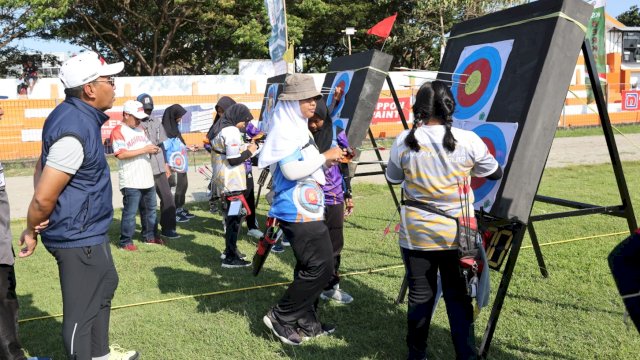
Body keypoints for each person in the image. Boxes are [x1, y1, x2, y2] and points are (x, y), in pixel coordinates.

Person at [18, 51, 138, 360]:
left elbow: (40, 166)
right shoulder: (75, 125)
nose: (115, 86)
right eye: (110, 80)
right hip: (77, 236)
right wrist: (32, 228)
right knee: (80, 314)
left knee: (106, 283)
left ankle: (99, 354)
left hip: (88, 231)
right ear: (89, 89)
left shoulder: (78, 116)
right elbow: (44, 195)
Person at [385, 81, 502, 360]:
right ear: (450, 105)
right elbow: (495, 172)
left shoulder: (404, 139)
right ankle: (466, 355)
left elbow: (393, 178)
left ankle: (417, 354)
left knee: (420, 295)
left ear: (420, 108)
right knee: (459, 298)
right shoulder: (470, 140)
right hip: (459, 233)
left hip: (416, 234)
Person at [258, 73, 345, 345]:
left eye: (315, 98)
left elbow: (305, 166)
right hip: (295, 209)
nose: (313, 104)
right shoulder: (285, 130)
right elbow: (291, 170)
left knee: (312, 265)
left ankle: (306, 321)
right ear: (292, 101)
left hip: (306, 206)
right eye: (307, 99)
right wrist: (325, 156)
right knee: (322, 266)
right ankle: (281, 316)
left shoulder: (298, 127)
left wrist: (326, 164)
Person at [308, 100, 355, 304]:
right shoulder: (303, 135)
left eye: (316, 121)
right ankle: (312, 286)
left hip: (334, 196)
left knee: (335, 244)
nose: (312, 125)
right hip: (310, 198)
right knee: (313, 246)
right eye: (310, 121)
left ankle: (331, 287)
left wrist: (348, 194)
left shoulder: (337, 132)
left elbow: (345, 163)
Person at [110, 100, 164, 250]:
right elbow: (120, 154)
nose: (139, 120)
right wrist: (145, 150)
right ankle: (125, 242)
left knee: (151, 210)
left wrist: (153, 149)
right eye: (136, 117)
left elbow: (146, 146)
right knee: (130, 213)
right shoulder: (118, 130)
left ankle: (150, 236)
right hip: (130, 180)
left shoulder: (140, 129)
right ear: (126, 115)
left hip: (147, 178)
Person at [211, 103, 258, 268]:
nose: (245, 126)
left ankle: (230, 250)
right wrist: (250, 151)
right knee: (234, 220)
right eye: (244, 122)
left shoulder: (221, 128)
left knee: (233, 218)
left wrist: (245, 148)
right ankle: (230, 258)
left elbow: (228, 152)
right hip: (232, 184)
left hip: (226, 180)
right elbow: (233, 159)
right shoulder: (231, 131)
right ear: (237, 118)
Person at [136, 93, 180, 239]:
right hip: (144, 167)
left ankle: (168, 228)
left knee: (168, 198)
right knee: (146, 202)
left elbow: (161, 143)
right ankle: (148, 231)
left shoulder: (156, 121)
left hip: (159, 167)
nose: (147, 113)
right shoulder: (135, 124)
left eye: (149, 109)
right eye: (145, 109)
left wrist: (166, 164)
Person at [162, 104, 195, 223]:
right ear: (172, 116)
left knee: (183, 185)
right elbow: (164, 149)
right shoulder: (165, 131)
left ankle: (180, 208)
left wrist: (188, 147)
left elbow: (179, 142)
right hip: (172, 165)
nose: (180, 118)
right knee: (174, 186)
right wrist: (166, 165)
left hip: (181, 164)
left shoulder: (175, 128)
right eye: (179, 116)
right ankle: (173, 211)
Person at [206, 96, 236, 213]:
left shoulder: (238, 124)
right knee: (219, 184)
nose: (221, 115)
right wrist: (215, 149)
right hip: (219, 161)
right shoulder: (216, 125)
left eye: (223, 112)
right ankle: (223, 211)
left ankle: (234, 215)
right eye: (219, 112)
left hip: (237, 165)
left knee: (234, 191)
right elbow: (208, 141)